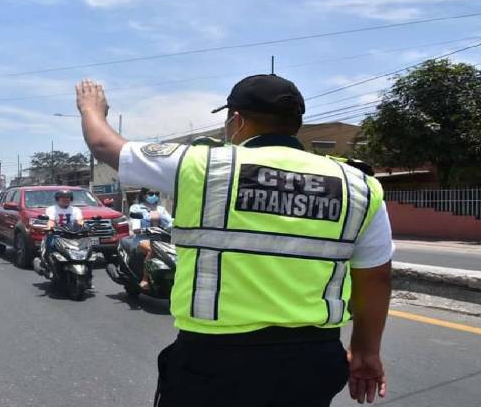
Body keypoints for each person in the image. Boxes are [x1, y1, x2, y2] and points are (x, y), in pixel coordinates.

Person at [76, 75, 393, 406]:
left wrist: (91, 108)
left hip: (215, 360)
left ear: (237, 120)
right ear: (295, 124)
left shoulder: (203, 165)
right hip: (313, 359)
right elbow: (376, 276)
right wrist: (367, 352)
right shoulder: (358, 184)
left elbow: (104, 145)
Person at [127, 188, 173, 290]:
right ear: (143, 195)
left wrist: (161, 217)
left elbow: (170, 223)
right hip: (142, 239)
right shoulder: (136, 208)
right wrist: (148, 219)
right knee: (152, 249)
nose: (154, 196)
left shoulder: (161, 209)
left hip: (161, 239)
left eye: (156, 193)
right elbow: (135, 226)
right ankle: (145, 279)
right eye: (151, 193)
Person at [43, 190, 85, 259]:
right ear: (58, 199)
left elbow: (80, 220)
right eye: (63, 197)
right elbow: (51, 221)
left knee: (85, 247)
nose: (66, 199)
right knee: (51, 245)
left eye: (68, 197)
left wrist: (83, 227)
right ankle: (47, 262)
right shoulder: (51, 209)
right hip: (57, 234)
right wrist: (50, 227)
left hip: (72, 234)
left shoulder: (76, 210)